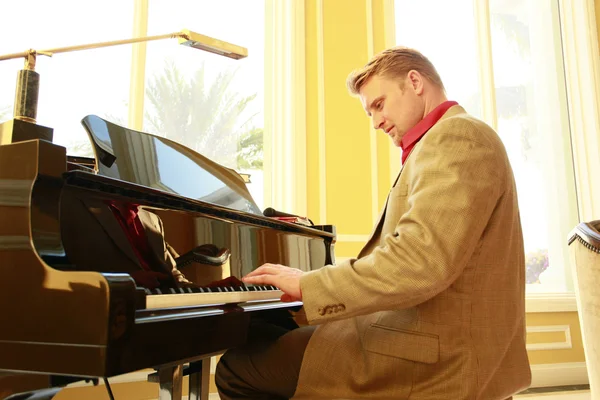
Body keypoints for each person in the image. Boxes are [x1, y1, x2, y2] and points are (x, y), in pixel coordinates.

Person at [215, 47, 531, 399]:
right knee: (268, 334)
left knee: (236, 369)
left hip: (438, 355)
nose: (376, 122)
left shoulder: (456, 137)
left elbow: (419, 260)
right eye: (370, 112)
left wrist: (310, 284)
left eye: (378, 105)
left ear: (414, 82)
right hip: (431, 335)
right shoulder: (442, 142)